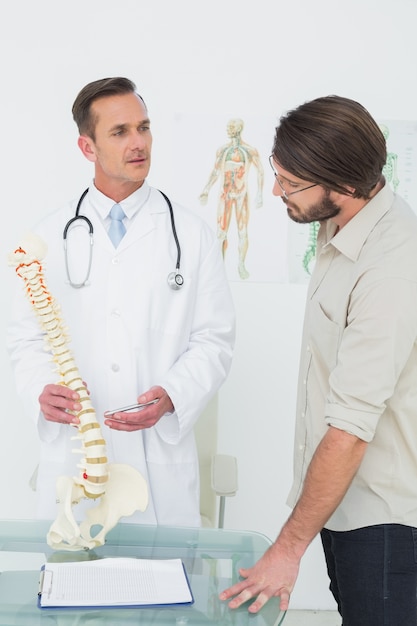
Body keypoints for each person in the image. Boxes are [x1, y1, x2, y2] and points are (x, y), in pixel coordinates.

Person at [220, 95, 417, 625]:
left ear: (346, 186)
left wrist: (286, 550)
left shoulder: (390, 268)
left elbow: (351, 428)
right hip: (346, 510)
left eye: (290, 182)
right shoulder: (340, 230)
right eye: (278, 174)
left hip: (387, 525)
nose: (277, 190)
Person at [7, 77, 235, 527]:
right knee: (74, 586)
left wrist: (173, 395)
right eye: (120, 132)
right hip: (76, 455)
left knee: (160, 592)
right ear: (86, 147)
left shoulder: (191, 235)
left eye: (143, 127)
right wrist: (40, 388)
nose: (139, 143)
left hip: (159, 465)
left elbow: (214, 339)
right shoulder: (48, 236)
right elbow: (26, 339)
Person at [199, 118, 264, 279]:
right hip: (225, 194)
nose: (228, 129)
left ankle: (241, 265)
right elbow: (215, 172)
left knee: (242, 231)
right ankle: (220, 267)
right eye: (228, 126)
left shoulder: (249, 151)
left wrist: (260, 193)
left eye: (231, 126)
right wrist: (206, 189)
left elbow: (260, 171)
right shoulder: (222, 150)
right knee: (221, 232)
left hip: (241, 194)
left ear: (239, 128)